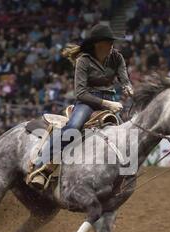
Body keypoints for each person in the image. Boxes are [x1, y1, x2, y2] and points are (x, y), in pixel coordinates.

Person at [29, 24, 133, 188]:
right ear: (98, 43)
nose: (112, 44)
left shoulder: (117, 57)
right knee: (73, 126)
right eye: (108, 41)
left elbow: (124, 78)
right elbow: (80, 93)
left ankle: (126, 176)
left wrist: (128, 87)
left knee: (126, 133)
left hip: (111, 100)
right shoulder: (83, 61)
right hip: (88, 102)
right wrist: (106, 104)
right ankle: (41, 168)